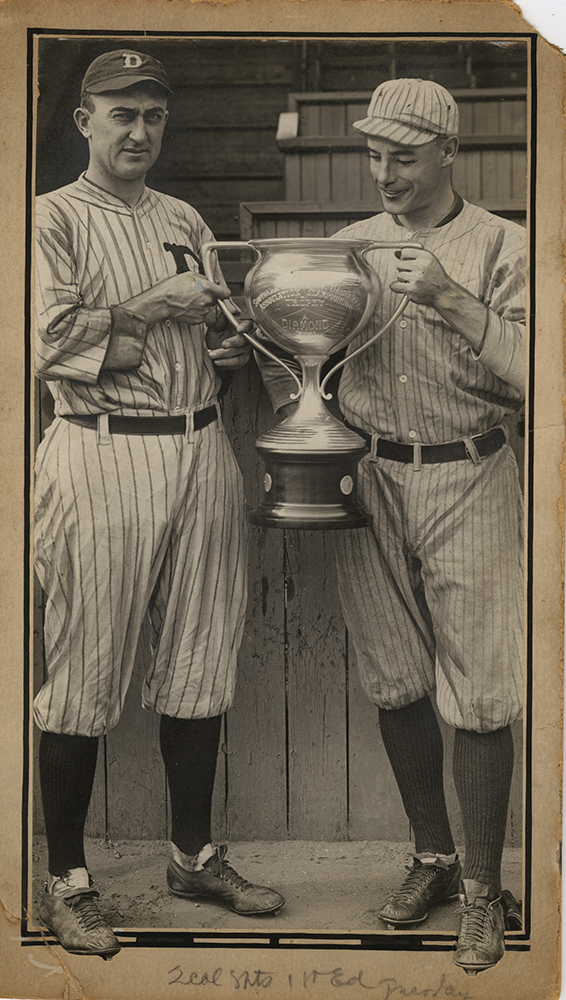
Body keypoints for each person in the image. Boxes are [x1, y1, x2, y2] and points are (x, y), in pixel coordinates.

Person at [258, 78, 525, 976]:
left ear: (450, 150)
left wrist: (453, 299)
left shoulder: (504, 246)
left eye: (403, 157)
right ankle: (436, 861)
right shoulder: (348, 248)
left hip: (472, 470)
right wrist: (258, 357)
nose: (385, 173)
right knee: (394, 675)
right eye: (374, 155)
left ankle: (485, 894)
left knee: (483, 690)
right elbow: (306, 363)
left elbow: (547, 375)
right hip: (368, 474)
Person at [34, 48, 285, 961]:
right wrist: (147, 312)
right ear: (85, 122)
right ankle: (67, 879)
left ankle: (192, 855)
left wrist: (218, 341)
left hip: (199, 443)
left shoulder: (183, 215)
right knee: (83, 676)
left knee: (200, 665)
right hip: (101, 455)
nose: (139, 131)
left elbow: (209, 318)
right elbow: (47, 341)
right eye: (121, 114)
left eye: (153, 116)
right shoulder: (46, 219)